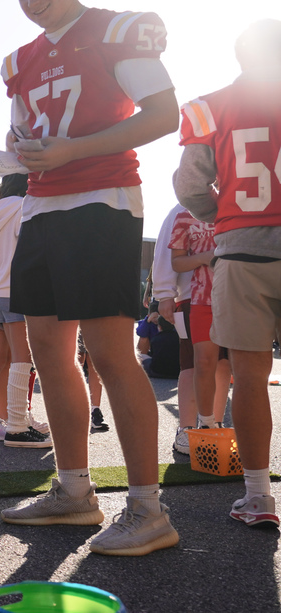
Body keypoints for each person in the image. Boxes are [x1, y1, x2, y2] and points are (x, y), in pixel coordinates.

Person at [0, 0, 181, 556]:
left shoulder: (115, 27)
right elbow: (25, 133)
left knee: (109, 352)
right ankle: (74, 491)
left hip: (103, 199)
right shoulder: (18, 61)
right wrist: (19, 149)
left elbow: (163, 114)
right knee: (48, 351)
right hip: (40, 207)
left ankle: (149, 508)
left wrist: (73, 149)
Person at [174, 19, 281, 528]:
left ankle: (259, 496)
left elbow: (190, 185)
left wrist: (227, 218)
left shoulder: (207, 106)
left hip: (242, 251)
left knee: (251, 378)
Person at [0, 172, 52, 448]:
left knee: (10, 358)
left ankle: (16, 419)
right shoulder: (24, 207)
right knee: (22, 358)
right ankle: (18, 425)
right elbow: (34, 250)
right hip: (18, 290)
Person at [168, 210, 232, 430]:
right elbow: (176, 263)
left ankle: (230, 430)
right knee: (203, 363)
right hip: (201, 300)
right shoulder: (183, 215)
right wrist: (205, 257)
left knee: (238, 367)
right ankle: (206, 426)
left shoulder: (239, 207)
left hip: (240, 300)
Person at [151, 204, 198, 453]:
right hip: (190, 299)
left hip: (230, 296)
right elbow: (163, 253)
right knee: (190, 363)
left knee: (225, 366)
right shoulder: (182, 208)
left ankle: (214, 426)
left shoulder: (231, 201)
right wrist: (164, 295)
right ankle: (187, 429)